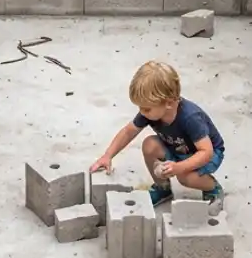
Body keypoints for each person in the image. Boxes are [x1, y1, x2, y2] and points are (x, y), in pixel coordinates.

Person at [90, 61, 225, 208]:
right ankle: (163, 188)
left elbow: (207, 152)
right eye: (140, 107)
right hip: (178, 148)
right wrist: (108, 155)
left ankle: (213, 188)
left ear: (168, 103)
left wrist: (179, 168)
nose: (142, 112)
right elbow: (128, 132)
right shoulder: (150, 111)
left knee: (185, 177)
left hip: (206, 154)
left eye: (146, 109)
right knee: (149, 145)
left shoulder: (190, 118)